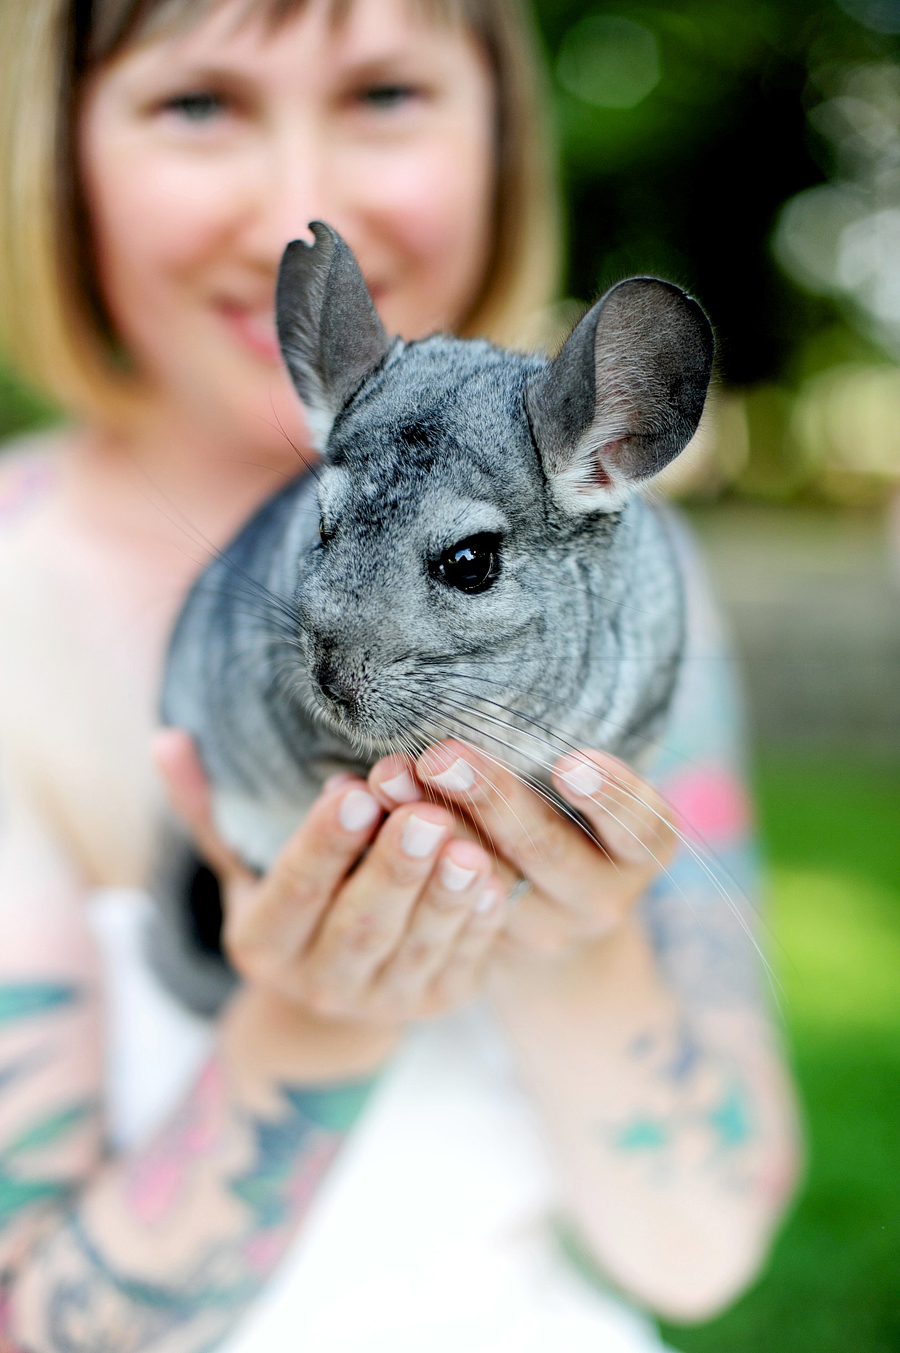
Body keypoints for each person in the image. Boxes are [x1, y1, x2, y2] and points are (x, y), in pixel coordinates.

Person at [0, 0, 800, 1348]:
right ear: (62, 151)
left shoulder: (640, 594)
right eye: (196, 104)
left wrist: (569, 935)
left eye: (384, 95)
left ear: (500, 132)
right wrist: (317, 1014)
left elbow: (702, 1246)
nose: (288, 203)